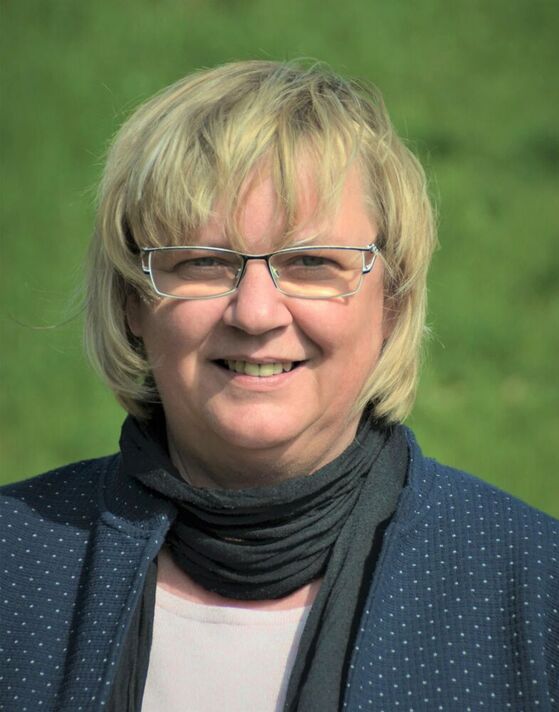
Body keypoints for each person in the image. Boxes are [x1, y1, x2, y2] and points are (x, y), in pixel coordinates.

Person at [1, 60, 557, 712]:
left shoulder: (534, 588)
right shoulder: (15, 561)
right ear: (132, 301)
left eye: (312, 262)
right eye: (204, 262)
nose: (256, 313)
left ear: (393, 300)